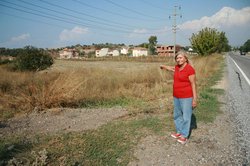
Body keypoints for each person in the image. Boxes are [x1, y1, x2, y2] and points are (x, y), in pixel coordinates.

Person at [160, 50, 197, 144]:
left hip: (187, 97)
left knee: (186, 116)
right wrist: (163, 66)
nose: (178, 59)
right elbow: (170, 68)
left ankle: (184, 135)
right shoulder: (177, 67)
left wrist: (194, 99)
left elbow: (193, 84)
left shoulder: (190, 69)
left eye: (180, 57)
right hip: (176, 96)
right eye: (177, 58)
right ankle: (179, 132)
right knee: (177, 115)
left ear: (185, 58)